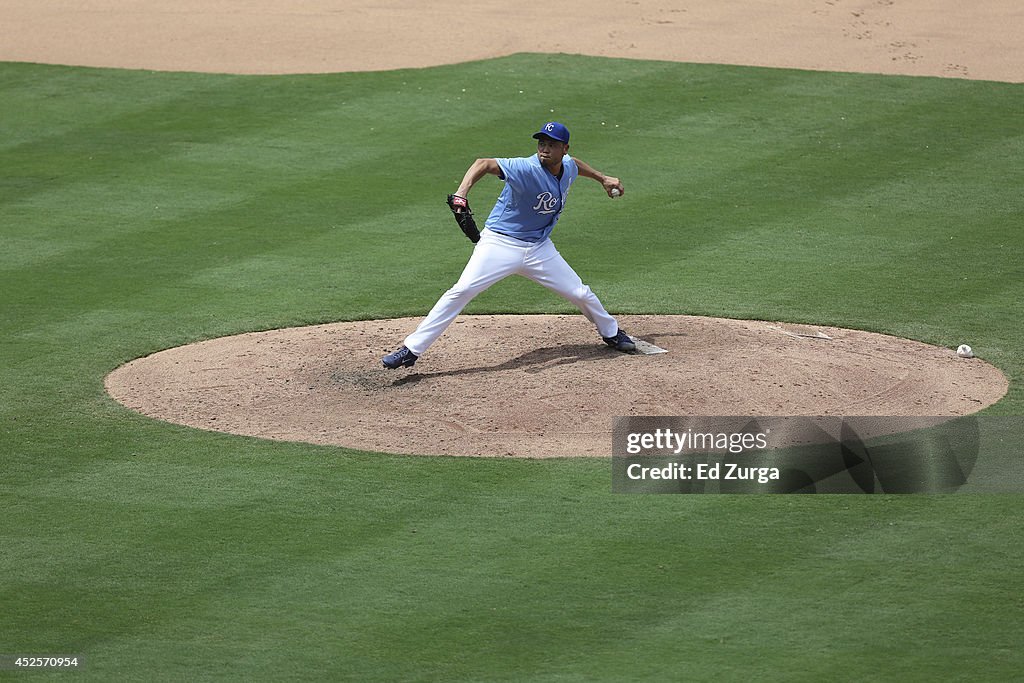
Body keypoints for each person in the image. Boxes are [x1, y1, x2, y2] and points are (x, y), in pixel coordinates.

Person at [382, 121, 635, 369]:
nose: (544, 148)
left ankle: (611, 333)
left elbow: (574, 166)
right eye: (541, 143)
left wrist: (602, 178)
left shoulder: (567, 165)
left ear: (564, 149)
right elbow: (483, 163)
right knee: (462, 290)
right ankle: (411, 350)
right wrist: (462, 192)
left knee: (580, 293)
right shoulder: (525, 167)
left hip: (539, 247)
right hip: (500, 244)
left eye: (552, 144)